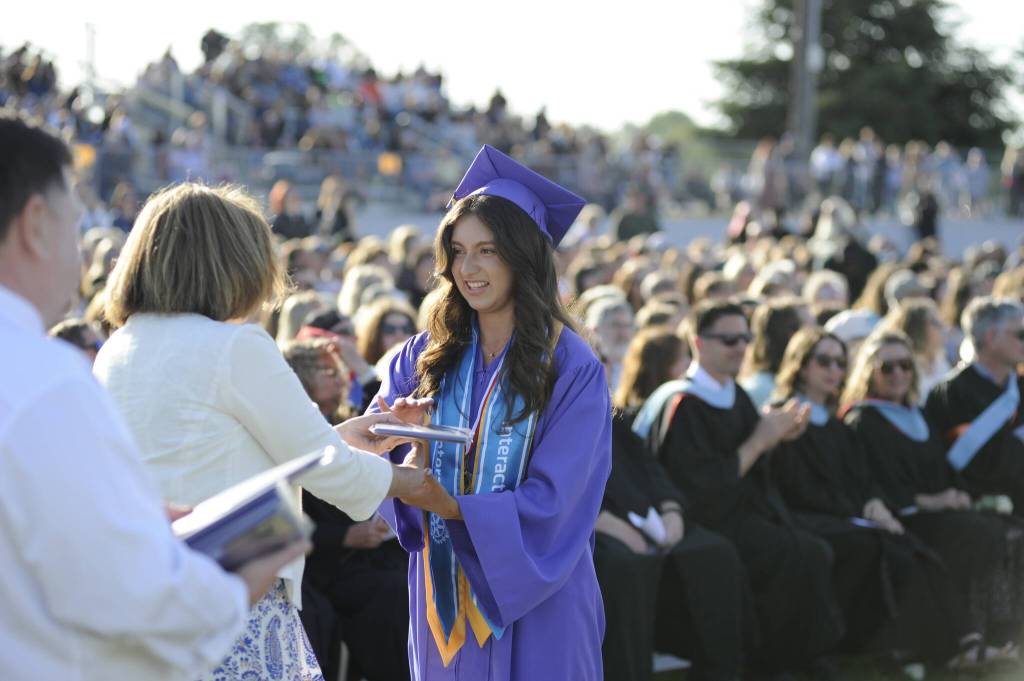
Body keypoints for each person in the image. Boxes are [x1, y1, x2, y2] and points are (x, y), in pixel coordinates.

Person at [0, 111, 306, 680]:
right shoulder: (44, 380)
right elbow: (134, 594)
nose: (83, 253)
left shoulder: (78, 362)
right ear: (35, 224)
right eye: (74, 223)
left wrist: (128, 518)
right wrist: (238, 582)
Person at [93, 182, 436, 681]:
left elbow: (220, 444)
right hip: (231, 593)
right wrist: (413, 480)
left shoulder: (118, 346)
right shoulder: (234, 346)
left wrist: (342, 436)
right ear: (232, 263)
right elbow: (328, 470)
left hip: (146, 596)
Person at [369, 145, 612, 680]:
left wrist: (451, 504)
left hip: (539, 601)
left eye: (488, 250)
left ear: (524, 256)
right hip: (443, 599)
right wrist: (403, 450)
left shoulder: (572, 368)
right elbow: (374, 450)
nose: (468, 268)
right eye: (458, 251)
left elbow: (557, 500)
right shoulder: (424, 355)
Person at [634, 300, 844, 676]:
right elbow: (695, 489)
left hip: (744, 513)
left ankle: (796, 657)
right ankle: (776, 663)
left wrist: (779, 437)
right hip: (702, 521)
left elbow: (754, 467)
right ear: (699, 343)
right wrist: (759, 442)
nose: (740, 348)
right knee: (796, 554)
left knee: (812, 548)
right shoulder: (683, 403)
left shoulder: (736, 394)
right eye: (729, 340)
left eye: (745, 339)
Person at [771, 327, 975, 665]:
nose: (834, 370)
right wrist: (861, 510)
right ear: (801, 366)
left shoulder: (834, 425)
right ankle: (909, 649)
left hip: (848, 514)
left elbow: (862, 479)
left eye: (840, 363)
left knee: (910, 547)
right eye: (823, 361)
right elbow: (795, 487)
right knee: (881, 547)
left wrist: (874, 503)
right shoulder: (784, 417)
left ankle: (956, 644)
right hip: (807, 518)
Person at [842, 330, 1021, 660]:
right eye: (887, 368)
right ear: (869, 372)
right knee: (973, 533)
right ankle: (961, 639)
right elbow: (876, 483)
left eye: (905, 365)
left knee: (1002, 526)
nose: (898, 374)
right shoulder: (862, 420)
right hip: (903, 517)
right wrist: (932, 501)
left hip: (939, 511)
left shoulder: (919, 414)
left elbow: (942, 469)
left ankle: (1002, 630)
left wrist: (958, 494)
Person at [599, 327, 749, 681]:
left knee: (715, 552)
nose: (600, 367)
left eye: (603, 360)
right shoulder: (548, 420)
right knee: (623, 566)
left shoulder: (612, 417)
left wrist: (671, 509)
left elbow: (650, 468)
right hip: (593, 526)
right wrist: (604, 522)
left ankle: (717, 671)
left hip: (647, 517)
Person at [283, 339, 410, 681]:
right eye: (325, 372)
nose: (338, 378)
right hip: (322, 562)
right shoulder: (290, 434)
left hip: (369, 556)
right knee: (388, 594)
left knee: (411, 574)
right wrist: (345, 536)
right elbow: (291, 517)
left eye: (338, 371)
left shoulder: (345, 421)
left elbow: (382, 413)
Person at [924, 297, 1024, 513]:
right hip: (977, 509)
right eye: (1020, 334)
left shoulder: (1019, 386)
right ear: (990, 337)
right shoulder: (949, 394)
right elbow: (958, 464)